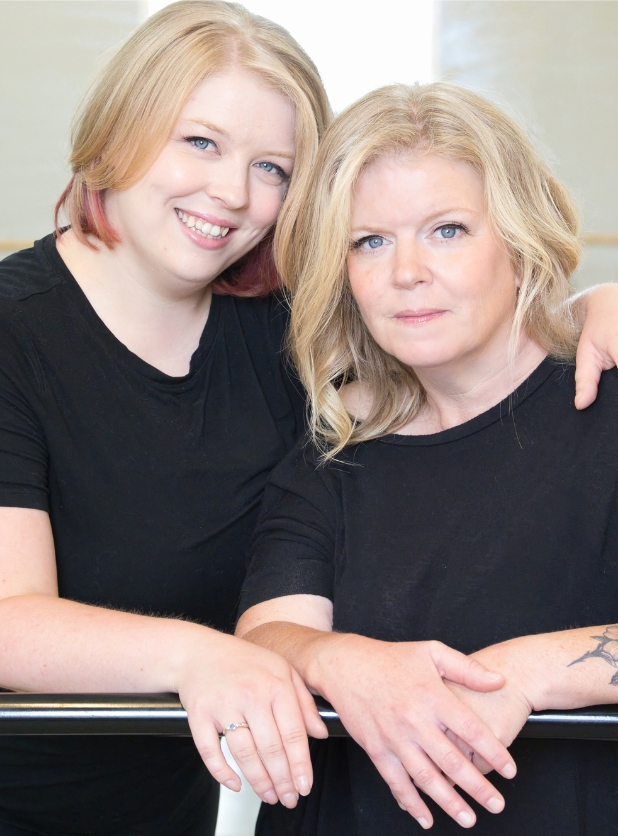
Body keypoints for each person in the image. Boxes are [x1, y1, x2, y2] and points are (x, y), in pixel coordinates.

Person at [0, 3, 335, 834]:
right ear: (120, 131)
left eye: (272, 168)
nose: (234, 194)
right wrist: (202, 655)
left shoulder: (285, 328)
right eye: (200, 142)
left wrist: (585, 312)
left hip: (174, 805)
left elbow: (450, 334)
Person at [237, 81, 618, 836]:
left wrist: (525, 674)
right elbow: (266, 633)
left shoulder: (606, 401)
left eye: (447, 230)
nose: (405, 271)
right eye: (369, 241)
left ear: (519, 237)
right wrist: (343, 661)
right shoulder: (336, 448)